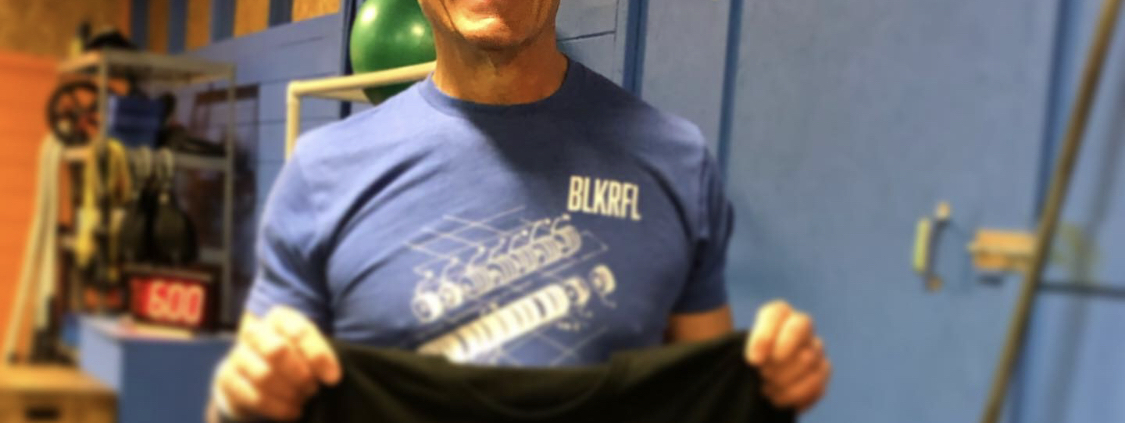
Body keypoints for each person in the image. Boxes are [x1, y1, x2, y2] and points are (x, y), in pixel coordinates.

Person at [208, 0, 832, 421]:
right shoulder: (323, 172)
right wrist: (245, 397)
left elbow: (711, 389)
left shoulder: (676, 160)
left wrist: (767, 379)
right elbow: (251, 396)